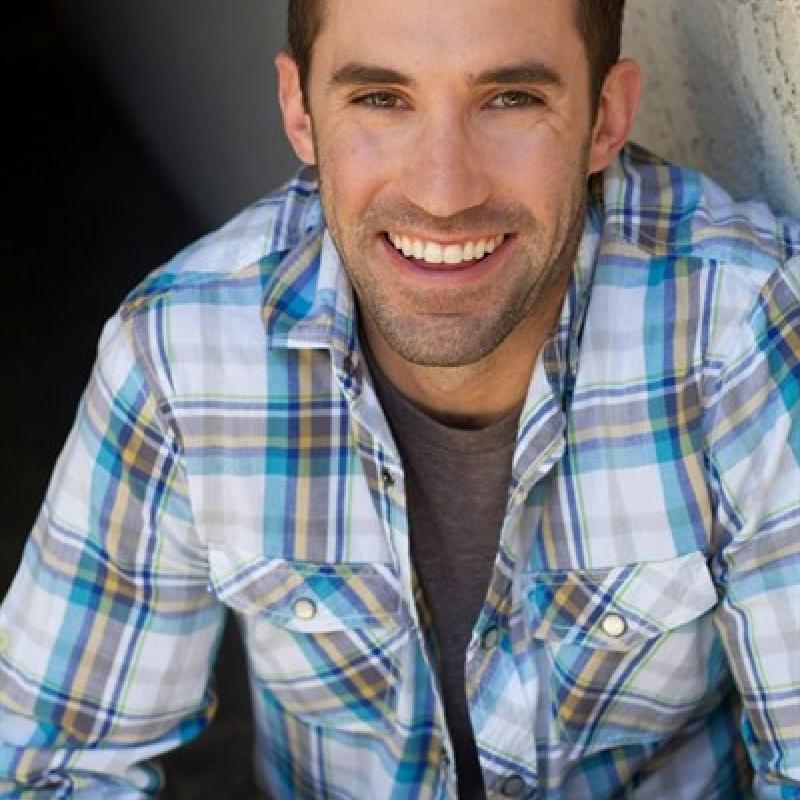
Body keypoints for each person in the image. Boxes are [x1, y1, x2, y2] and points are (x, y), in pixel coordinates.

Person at [1, 0, 798, 797]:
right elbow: (43, 764)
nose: (444, 193)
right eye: (382, 99)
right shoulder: (182, 355)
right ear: (300, 112)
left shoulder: (736, 331)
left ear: (606, 117)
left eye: (510, 99)